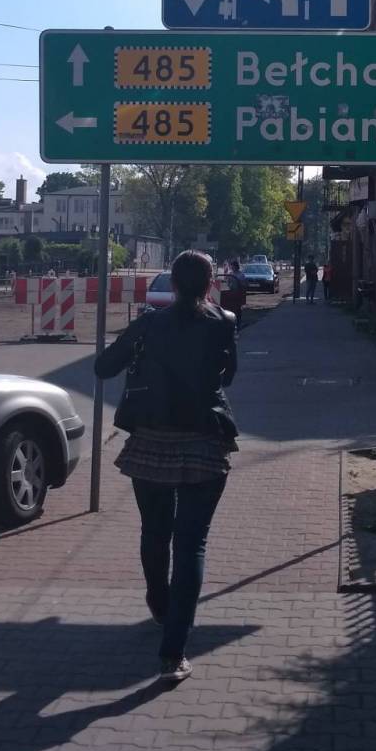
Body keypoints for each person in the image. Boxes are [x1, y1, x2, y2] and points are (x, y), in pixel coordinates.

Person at [95, 250, 239, 684]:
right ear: (210, 283)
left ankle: (159, 604)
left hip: (151, 445)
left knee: (154, 533)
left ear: (173, 284)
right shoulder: (224, 323)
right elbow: (228, 377)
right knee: (191, 545)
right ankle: (173, 654)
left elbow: (103, 367)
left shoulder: (148, 324)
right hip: (203, 444)